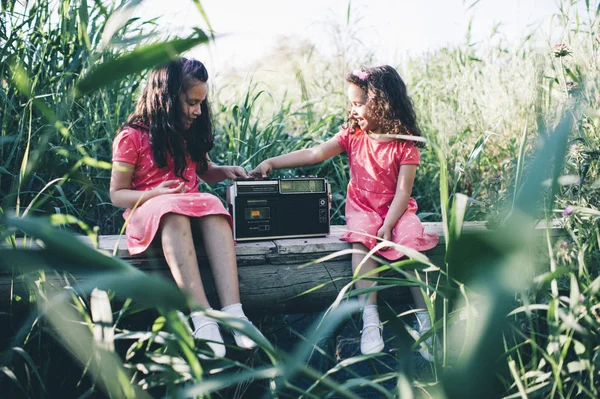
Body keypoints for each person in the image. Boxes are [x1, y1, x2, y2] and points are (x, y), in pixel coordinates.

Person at [249, 65, 439, 359]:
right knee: (361, 241)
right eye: (350, 102)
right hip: (363, 207)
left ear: (381, 101)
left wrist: (390, 224)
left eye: (358, 103)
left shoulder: (405, 144)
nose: (352, 110)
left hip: (396, 210)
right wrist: (273, 162)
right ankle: (370, 319)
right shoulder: (352, 135)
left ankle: (426, 320)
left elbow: (403, 192)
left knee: (411, 238)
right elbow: (314, 153)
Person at [110, 57, 263, 359]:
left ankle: (234, 312)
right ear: (166, 97)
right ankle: (201, 316)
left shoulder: (187, 131)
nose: (197, 111)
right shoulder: (132, 136)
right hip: (150, 213)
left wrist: (225, 170)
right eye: (191, 103)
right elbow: (117, 194)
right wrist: (153, 194)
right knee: (172, 209)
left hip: (188, 208)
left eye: (201, 104)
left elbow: (204, 170)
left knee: (213, 203)